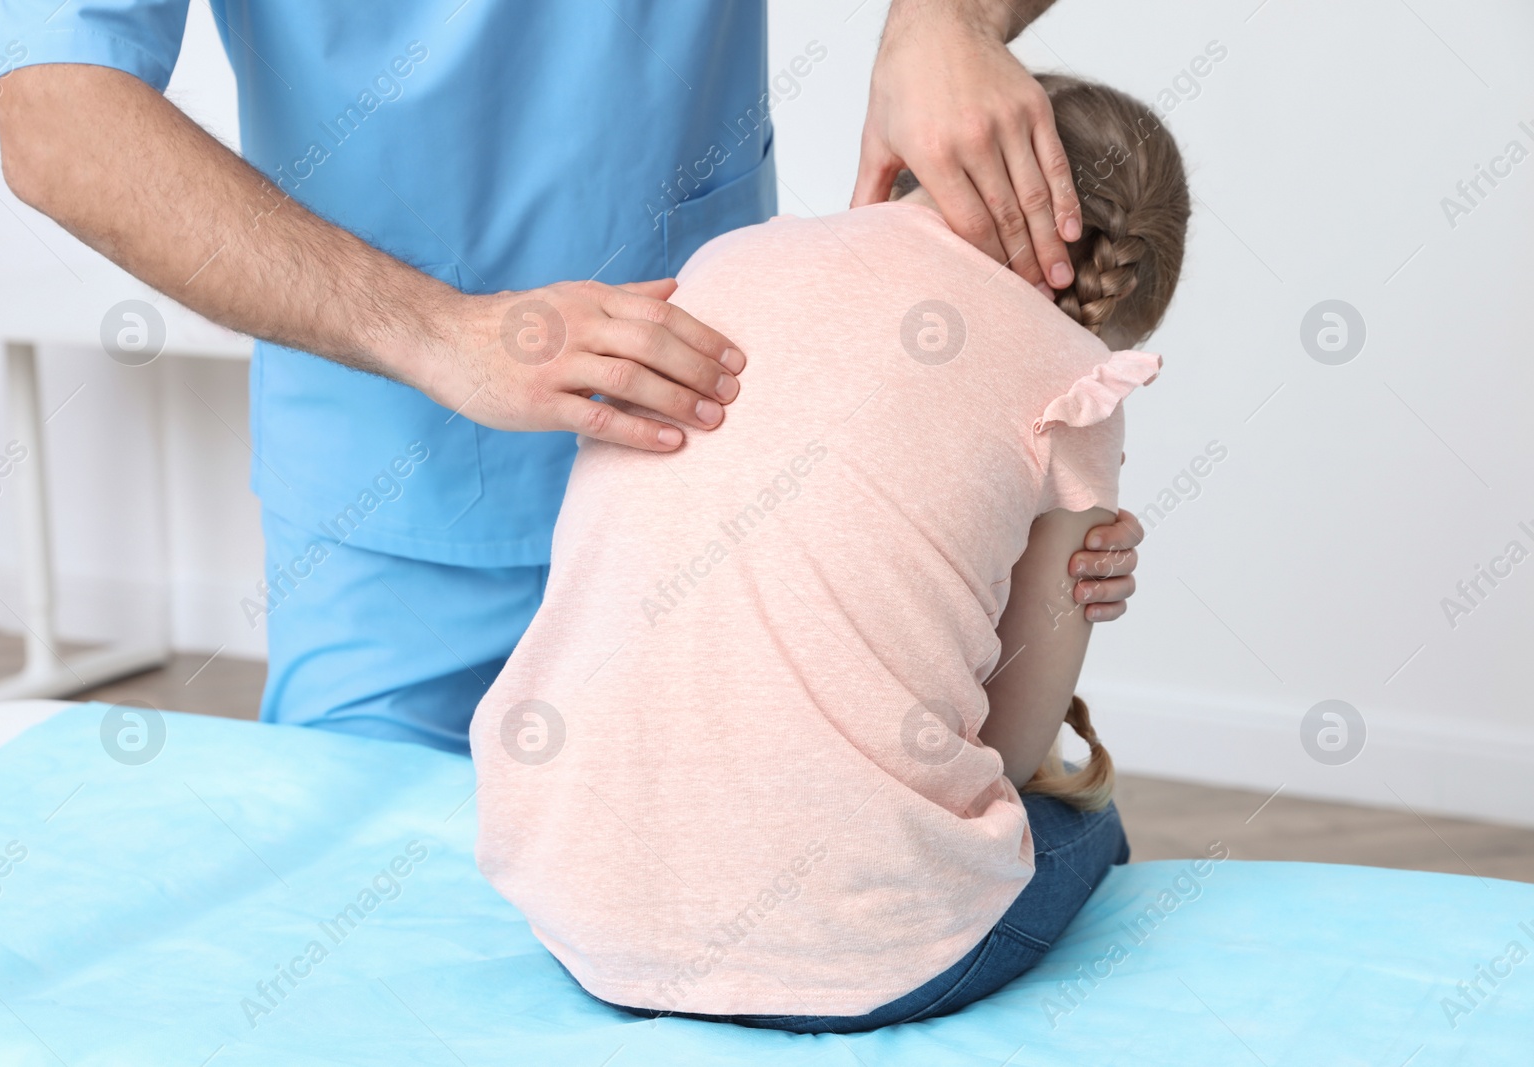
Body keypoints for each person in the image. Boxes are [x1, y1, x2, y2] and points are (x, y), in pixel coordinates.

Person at [0, 0, 1142, 751]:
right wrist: (434, 331)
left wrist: (946, 22)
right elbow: (55, 109)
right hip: (388, 490)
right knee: (364, 926)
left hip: (714, 460)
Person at [469, 74, 1191, 1032]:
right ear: (1107, 303)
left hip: (576, 908)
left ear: (932, 159)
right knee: (1090, 828)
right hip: (870, 955)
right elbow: (1012, 753)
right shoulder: (1076, 378)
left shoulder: (730, 258)